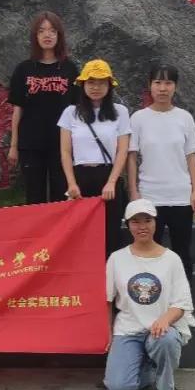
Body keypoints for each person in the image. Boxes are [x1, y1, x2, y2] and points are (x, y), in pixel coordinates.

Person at [103, 199, 195, 390]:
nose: (142, 226)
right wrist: (108, 333)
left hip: (161, 330)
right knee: (119, 389)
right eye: (135, 221)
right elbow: (108, 299)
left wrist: (165, 320)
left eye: (147, 220)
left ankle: (166, 386)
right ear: (128, 225)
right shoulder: (117, 258)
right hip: (128, 329)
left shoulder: (171, 259)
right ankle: (148, 369)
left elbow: (182, 303)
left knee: (166, 338)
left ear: (155, 222)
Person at [127, 64, 195, 282]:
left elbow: (191, 156)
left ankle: (183, 297)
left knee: (182, 251)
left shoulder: (184, 118)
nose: (162, 88)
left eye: (168, 83)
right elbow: (131, 157)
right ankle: (151, 295)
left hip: (180, 196)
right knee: (149, 251)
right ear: (150, 86)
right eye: (158, 82)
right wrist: (134, 191)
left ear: (175, 87)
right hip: (150, 197)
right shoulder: (138, 118)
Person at [58, 59, 131, 256]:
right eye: (91, 82)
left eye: (101, 82)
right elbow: (65, 151)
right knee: (80, 234)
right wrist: (71, 183)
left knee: (110, 234)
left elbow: (122, 150)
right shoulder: (70, 113)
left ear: (109, 85)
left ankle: (108, 273)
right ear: (82, 85)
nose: (96, 87)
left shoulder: (120, 112)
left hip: (109, 176)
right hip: (80, 177)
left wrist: (112, 182)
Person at [7, 11, 79, 204]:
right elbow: (17, 110)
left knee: (61, 196)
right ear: (35, 36)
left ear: (59, 35)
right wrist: (13, 146)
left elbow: (76, 110)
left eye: (52, 31)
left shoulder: (70, 69)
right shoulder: (24, 69)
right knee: (34, 197)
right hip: (30, 144)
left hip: (62, 145)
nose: (47, 35)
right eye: (42, 31)